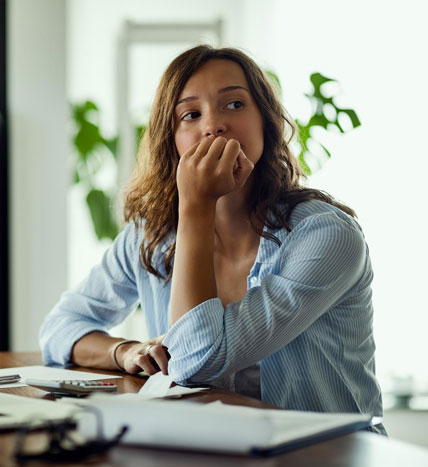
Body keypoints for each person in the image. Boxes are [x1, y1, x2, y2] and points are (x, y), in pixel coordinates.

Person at [39, 45, 384, 433]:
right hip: (217, 448)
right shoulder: (150, 235)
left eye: (234, 105)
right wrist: (123, 351)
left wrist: (196, 207)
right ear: (172, 141)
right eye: (191, 114)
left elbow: (196, 360)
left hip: (328, 454)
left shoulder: (326, 237)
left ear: (266, 123)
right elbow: (60, 328)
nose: (213, 126)